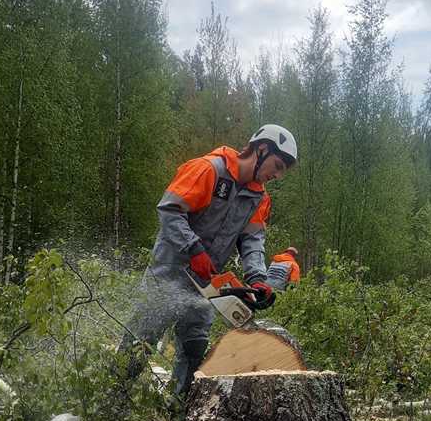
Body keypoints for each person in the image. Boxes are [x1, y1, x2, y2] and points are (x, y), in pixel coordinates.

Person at [120, 124, 298, 395]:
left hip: (206, 281)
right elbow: (170, 210)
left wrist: (257, 278)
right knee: (140, 341)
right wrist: (194, 249)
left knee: (194, 348)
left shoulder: (258, 198)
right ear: (261, 149)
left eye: (282, 170)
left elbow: (251, 241)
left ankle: (179, 417)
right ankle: (110, 403)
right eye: (277, 165)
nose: (276, 174)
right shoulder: (209, 169)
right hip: (169, 270)